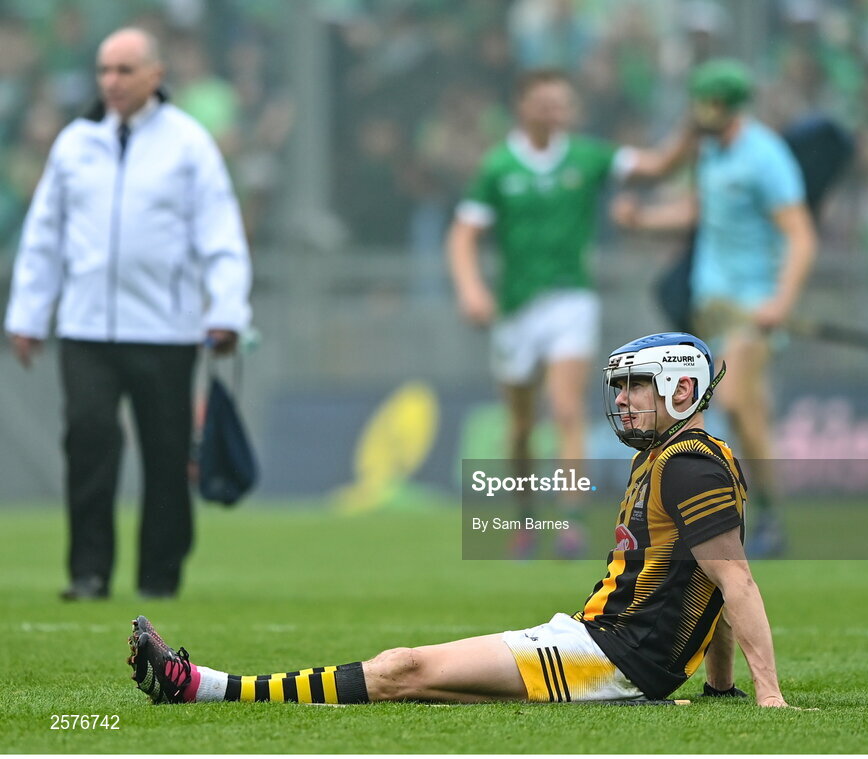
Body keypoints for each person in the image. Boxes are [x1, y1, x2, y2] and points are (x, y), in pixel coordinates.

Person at [127, 332, 793, 708]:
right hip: (603, 650)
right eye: (616, 387)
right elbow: (713, 585)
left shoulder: (689, 465)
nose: (621, 400)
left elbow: (735, 582)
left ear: (681, 387)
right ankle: (205, 685)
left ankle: (203, 687)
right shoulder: (678, 457)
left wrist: (768, 696)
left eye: (635, 385)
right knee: (415, 682)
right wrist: (720, 686)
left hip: (606, 660)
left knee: (403, 668)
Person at [4, 28, 252, 600]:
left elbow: (221, 234)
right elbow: (44, 235)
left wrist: (228, 311)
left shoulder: (190, 145)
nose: (111, 82)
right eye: (104, 71)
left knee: (165, 453)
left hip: (165, 328)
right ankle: (88, 572)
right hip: (87, 326)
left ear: (155, 75)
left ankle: (159, 576)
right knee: (88, 441)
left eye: (124, 70)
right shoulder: (74, 144)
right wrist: (28, 314)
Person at [447, 68, 694, 555]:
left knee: (565, 408)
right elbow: (462, 235)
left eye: (563, 103)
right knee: (520, 427)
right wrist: (471, 288)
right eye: (546, 102)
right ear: (523, 105)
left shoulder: (587, 156)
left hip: (570, 298)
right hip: (516, 307)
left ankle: (571, 522)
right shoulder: (499, 166)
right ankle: (525, 518)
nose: (556, 111)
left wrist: (693, 124)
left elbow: (659, 166)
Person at [613, 59, 818, 557]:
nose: (701, 115)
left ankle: (753, 519)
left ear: (729, 106)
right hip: (710, 308)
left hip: (752, 308)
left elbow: (801, 235)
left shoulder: (765, 156)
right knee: (750, 416)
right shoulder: (709, 153)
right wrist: (643, 221)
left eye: (710, 105)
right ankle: (766, 515)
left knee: (731, 403)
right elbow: (698, 212)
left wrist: (780, 302)